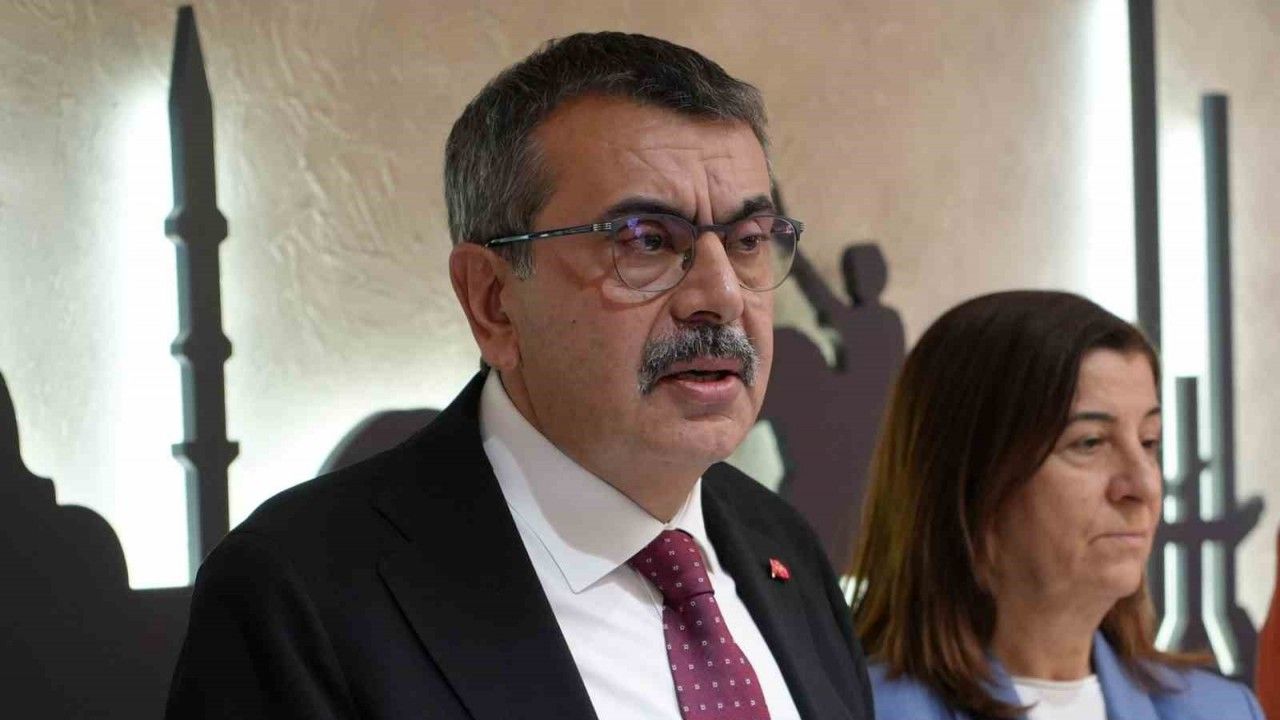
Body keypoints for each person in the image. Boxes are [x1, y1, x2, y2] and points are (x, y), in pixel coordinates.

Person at [165, 33, 873, 720]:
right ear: (493, 301)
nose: (720, 295)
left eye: (747, 240)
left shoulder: (787, 549)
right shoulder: (301, 597)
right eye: (646, 241)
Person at [850, 290, 1263, 720]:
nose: (1143, 485)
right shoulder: (858, 711)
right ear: (969, 481)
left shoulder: (1224, 711)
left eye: (1149, 441)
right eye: (1090, 442)